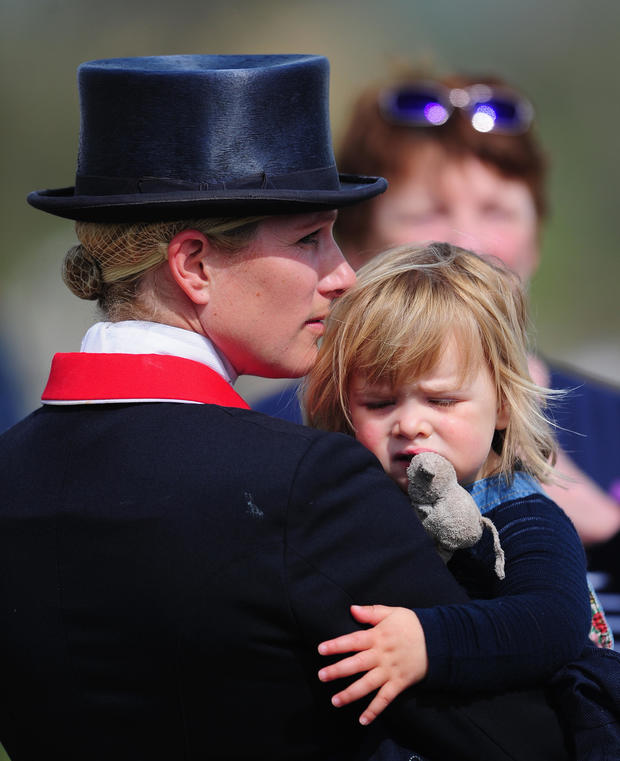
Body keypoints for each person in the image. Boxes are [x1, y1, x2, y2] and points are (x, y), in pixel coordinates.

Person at [0, 54, 578, 761]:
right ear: (194, 266)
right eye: (310, 237)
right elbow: (525, 741)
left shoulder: (12, 473)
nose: (342, 273)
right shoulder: (308, 484)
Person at [303, 242, 620, 755]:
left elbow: (552, 621)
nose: (410, 423)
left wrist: (427, 642)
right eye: (379, 403)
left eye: (441, 399)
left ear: (500, 403)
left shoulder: (521, 513)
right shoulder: (355, 503)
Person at [332, 69, 620, 571]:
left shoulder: (613, 421)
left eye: (497, 211)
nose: (466, 241)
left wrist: (606, 529)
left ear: (537, 237)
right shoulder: (290, 432)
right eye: (426, 213)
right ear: (354, 246)